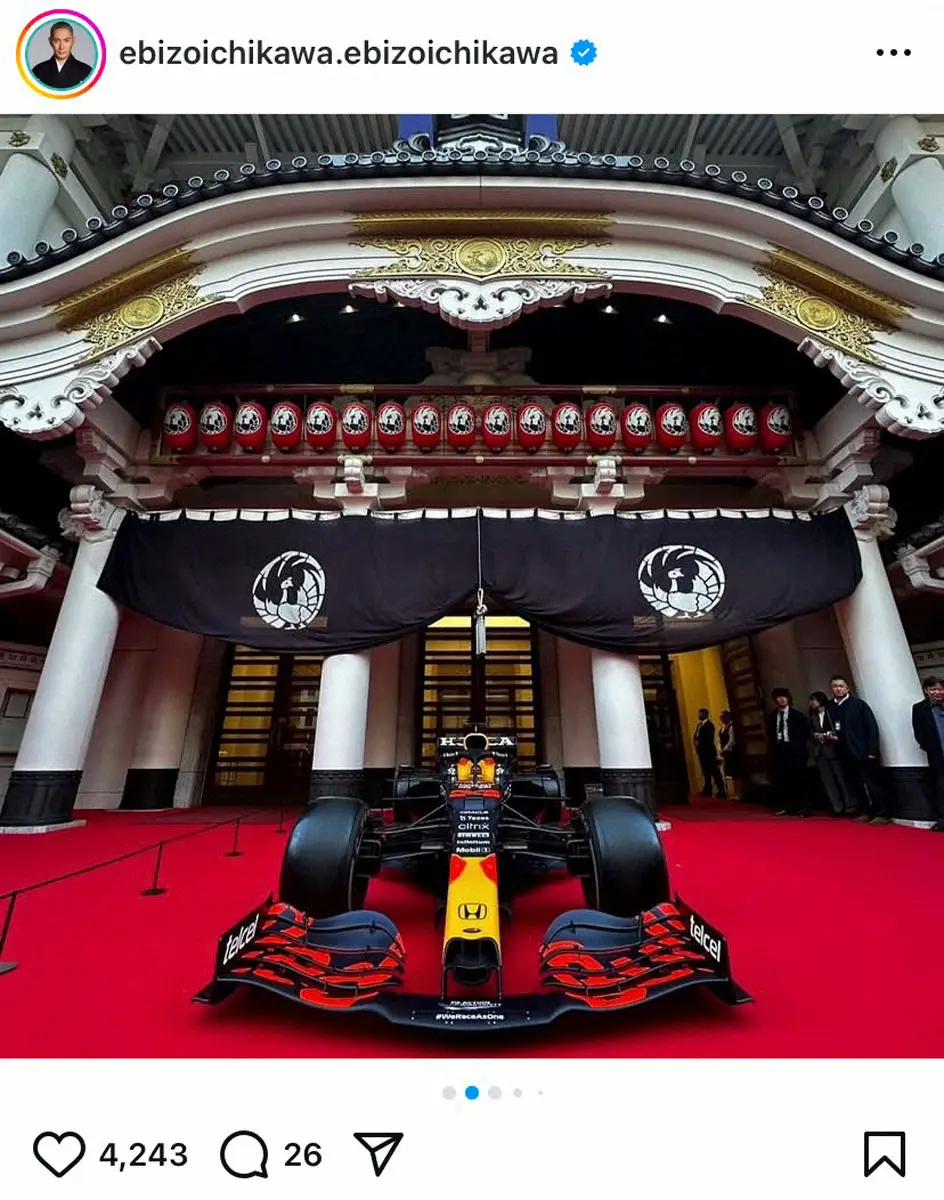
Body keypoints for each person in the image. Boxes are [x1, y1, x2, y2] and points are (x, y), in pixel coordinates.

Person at [826, 675, 889, 824]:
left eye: (841, 686)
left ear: (847, 688)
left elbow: (871, 728)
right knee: (855, 783)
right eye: (835, 686)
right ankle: (865, 811)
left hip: (863, 751)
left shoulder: (858, 705)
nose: (838, 689)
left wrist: (872, 751)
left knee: (872, 783)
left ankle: (882, 813)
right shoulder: (830, 707)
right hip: (843, 751)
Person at [809, 691, 855, 816]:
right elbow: (810, 732)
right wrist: (816, 736)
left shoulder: (831, 713)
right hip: (820, 751)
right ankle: (837, 807)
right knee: (828, 780)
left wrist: (832, 734)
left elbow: (838, 727)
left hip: (833, 750)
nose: (811, 703)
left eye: (813, 700)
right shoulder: (813, 716)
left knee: (842, 779)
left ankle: (850, 806)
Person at [766, 688, 811, 816]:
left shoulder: (797, 715)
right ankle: (788, 806)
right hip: (780, 751)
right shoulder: (772, 717)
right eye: (778, 697)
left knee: (800, 779)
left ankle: (804, 806)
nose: (781, 699)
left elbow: (804, 733)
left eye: (784, 697)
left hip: (796, 751)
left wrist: (800, 749)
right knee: (783, 780)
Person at [911, 675, 944, 833]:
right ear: (926, 690)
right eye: (933, 689)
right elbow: (919, 733)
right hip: (937, 756)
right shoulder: (919, 709)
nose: (937, 692)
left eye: (940, 689)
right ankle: (942, 820)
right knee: (940, 788)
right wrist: (930, 747)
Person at [30, 21, 93, 90]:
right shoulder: (38, 71)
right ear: (50, 41)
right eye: (56, 41)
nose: (61, 47)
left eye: (66, 40)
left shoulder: (86, 71)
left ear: (73, 41)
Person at [693, 708, 726, 798]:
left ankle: (721, 789)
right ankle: (707, 788)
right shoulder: (699, 725)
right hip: (702, 752)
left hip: (709, 752)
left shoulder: (709, 725)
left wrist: (700, 743)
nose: (699, 715)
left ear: (705, 714)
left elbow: (708, 739)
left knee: (714, 771)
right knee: (705, 771)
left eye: (701, 714)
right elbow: (695, 736)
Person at [718, 710, 743, 798]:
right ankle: (730, 792)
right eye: (721, 717)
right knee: (727, 772)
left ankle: (738, 793)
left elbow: (732, 740)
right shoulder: (722, 728)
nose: (721, 719)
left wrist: (725, 748)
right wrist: (720, 749)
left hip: (732, 752)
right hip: (725, 753)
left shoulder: (731, 727)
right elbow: (719, 740)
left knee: (735, 773)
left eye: (723, 717)